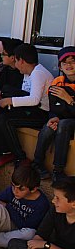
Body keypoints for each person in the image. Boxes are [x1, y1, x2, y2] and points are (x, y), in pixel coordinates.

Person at [0, 43, 54, 166]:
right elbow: (24, 94)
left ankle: (20, 157)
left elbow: (34, 99)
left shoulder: (38, 73)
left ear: (21, 61)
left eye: (16, 61)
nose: (16, 66)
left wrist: (9, 101)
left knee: (5, 120)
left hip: (42, 113)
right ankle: (4, 151)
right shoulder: (28, 74)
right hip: (31, 109)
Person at [32, 46, 75, 182]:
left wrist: (69, 99)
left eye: (73, 61)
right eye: (65, 62)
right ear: (60, 67)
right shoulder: (58, 82)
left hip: (71, 122)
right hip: (63, 122)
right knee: (50, 125)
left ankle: (58, 170)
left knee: (64, 123)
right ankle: (37, 163)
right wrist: (53, 118)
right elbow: (54, 108)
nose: (69, 65)